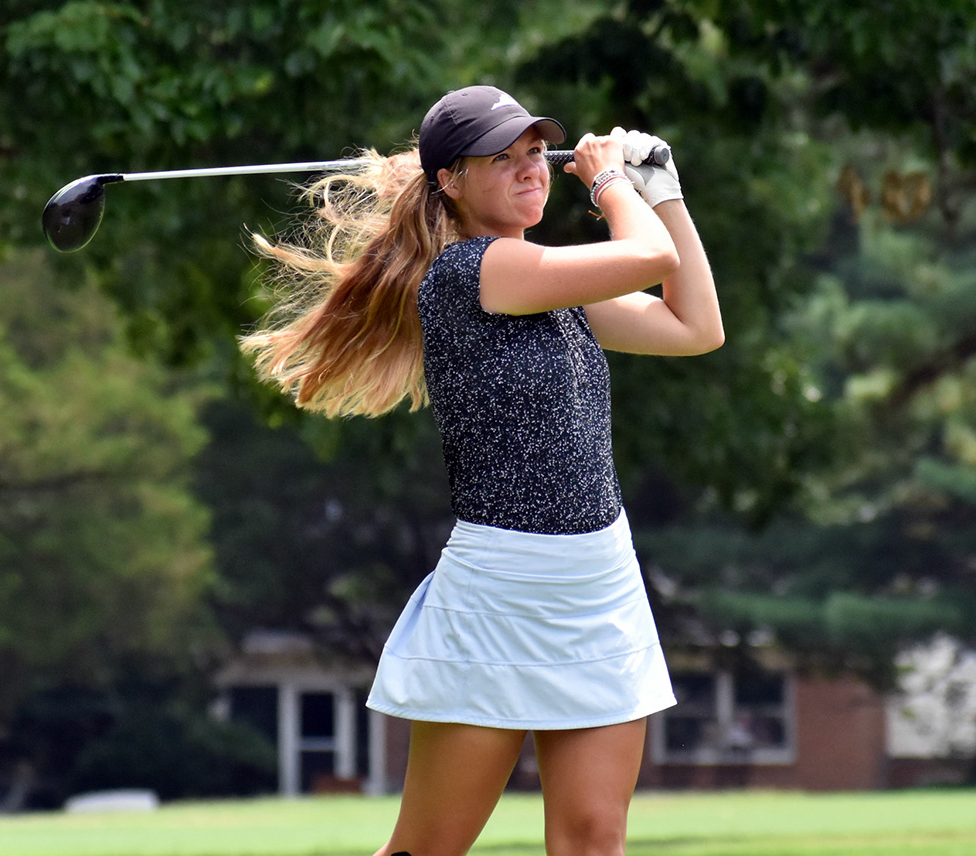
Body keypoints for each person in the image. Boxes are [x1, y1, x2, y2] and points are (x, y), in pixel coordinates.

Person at [240, 85, 722, 856]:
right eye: (503, 158)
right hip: (502, 589)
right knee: (428, 848)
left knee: (595, 840)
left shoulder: (549, 280)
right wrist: (608, 182)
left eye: (536, 151)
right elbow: (647, 257)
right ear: (450, 182)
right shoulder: (472, 274)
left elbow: (695, 326)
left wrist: (666, 194)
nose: (531, 168)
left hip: (600, 585)